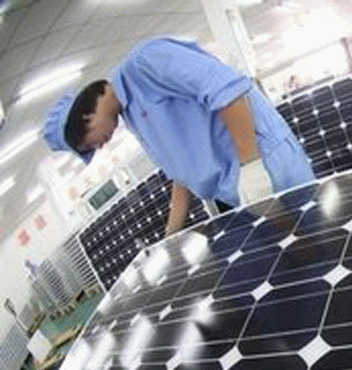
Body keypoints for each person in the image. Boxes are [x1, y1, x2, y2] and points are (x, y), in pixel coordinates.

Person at [43, 37, 315, 236]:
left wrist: (252, 169)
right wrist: (171, 235)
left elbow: (227, 91)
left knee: (314, 242)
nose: (102, 145)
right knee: (294, 257)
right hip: (242, 191)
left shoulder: (144, 63)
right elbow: (181, 171)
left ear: (85, 117)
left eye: (93, 142)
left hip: (266, 167)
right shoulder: (132, 115)